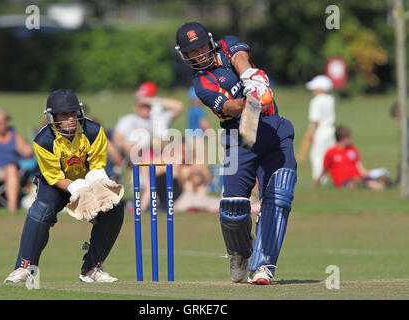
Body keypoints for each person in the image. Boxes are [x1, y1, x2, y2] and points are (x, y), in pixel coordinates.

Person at [175, 22, 297, 285]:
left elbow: (240, 58)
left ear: (209, 42)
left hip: (272, 127)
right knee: (233, 207)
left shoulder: (228, 43)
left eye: (201, 47)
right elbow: (229, 107)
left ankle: (263, 266)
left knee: (280, 193)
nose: (198, 53)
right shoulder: (201, 84)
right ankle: (240, 253)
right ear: (185, 56)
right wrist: (251, 98)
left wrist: (251, 79)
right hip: (238, 136)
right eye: (191, 51)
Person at [4, 89, 124, 285]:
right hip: (56, 185)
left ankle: (92, 269)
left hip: (89, 179)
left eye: (73, 113)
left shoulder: (93, 131)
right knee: (41, 211)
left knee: (115, 209)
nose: (70, 119)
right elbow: (54, 177)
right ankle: (25, 268)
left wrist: (96, 189)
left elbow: (97, 167)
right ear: (52, 116)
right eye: (63, 114)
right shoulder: (43, 140)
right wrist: (77, 189)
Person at [113, 81, 184, 160]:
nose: (145, 108)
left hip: (157, 154)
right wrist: (127, 146)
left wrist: (150, 99)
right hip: (135, 155)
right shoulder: (128, 119)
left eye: (147, 105)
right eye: (142, 105)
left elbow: (179, 106)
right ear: (135, 107)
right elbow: (117, 140)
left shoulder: (158, 118)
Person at [313, 125, 389, 190]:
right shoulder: (331, 152)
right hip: (345, 182)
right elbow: (324, 170)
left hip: (359, 178)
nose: (351, 138)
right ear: (342, 139)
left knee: (382, 180)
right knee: (358, 184)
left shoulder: (353, 149)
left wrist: (373, 174)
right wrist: (316, 183)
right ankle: (368, 184)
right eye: (349, 137)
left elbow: (360, 167)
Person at [296, 75, 336, 181]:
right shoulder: (330, 99)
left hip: (320, 131)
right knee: (330, 155)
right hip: (331, 130)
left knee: (317, 156)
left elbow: (315, 121)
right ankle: (334, 178)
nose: (313, 90)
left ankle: (319, 180)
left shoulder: (316, 101)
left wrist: (310, 134)